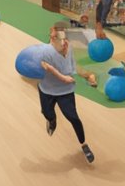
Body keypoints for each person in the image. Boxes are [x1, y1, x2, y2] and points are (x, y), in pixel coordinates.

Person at [38, 28, 97, 164]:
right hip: (47, 90)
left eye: (64, 38)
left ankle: (84, 144)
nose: (64, 42)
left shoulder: (68, 49)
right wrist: (62, 77)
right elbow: (42, 67)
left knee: (73, 118)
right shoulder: (45, 52)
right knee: (47, 113)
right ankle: (52, 120)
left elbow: (74, 68)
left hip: (65, 91)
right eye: (59, 38)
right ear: (52, 39)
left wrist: (88, 76)